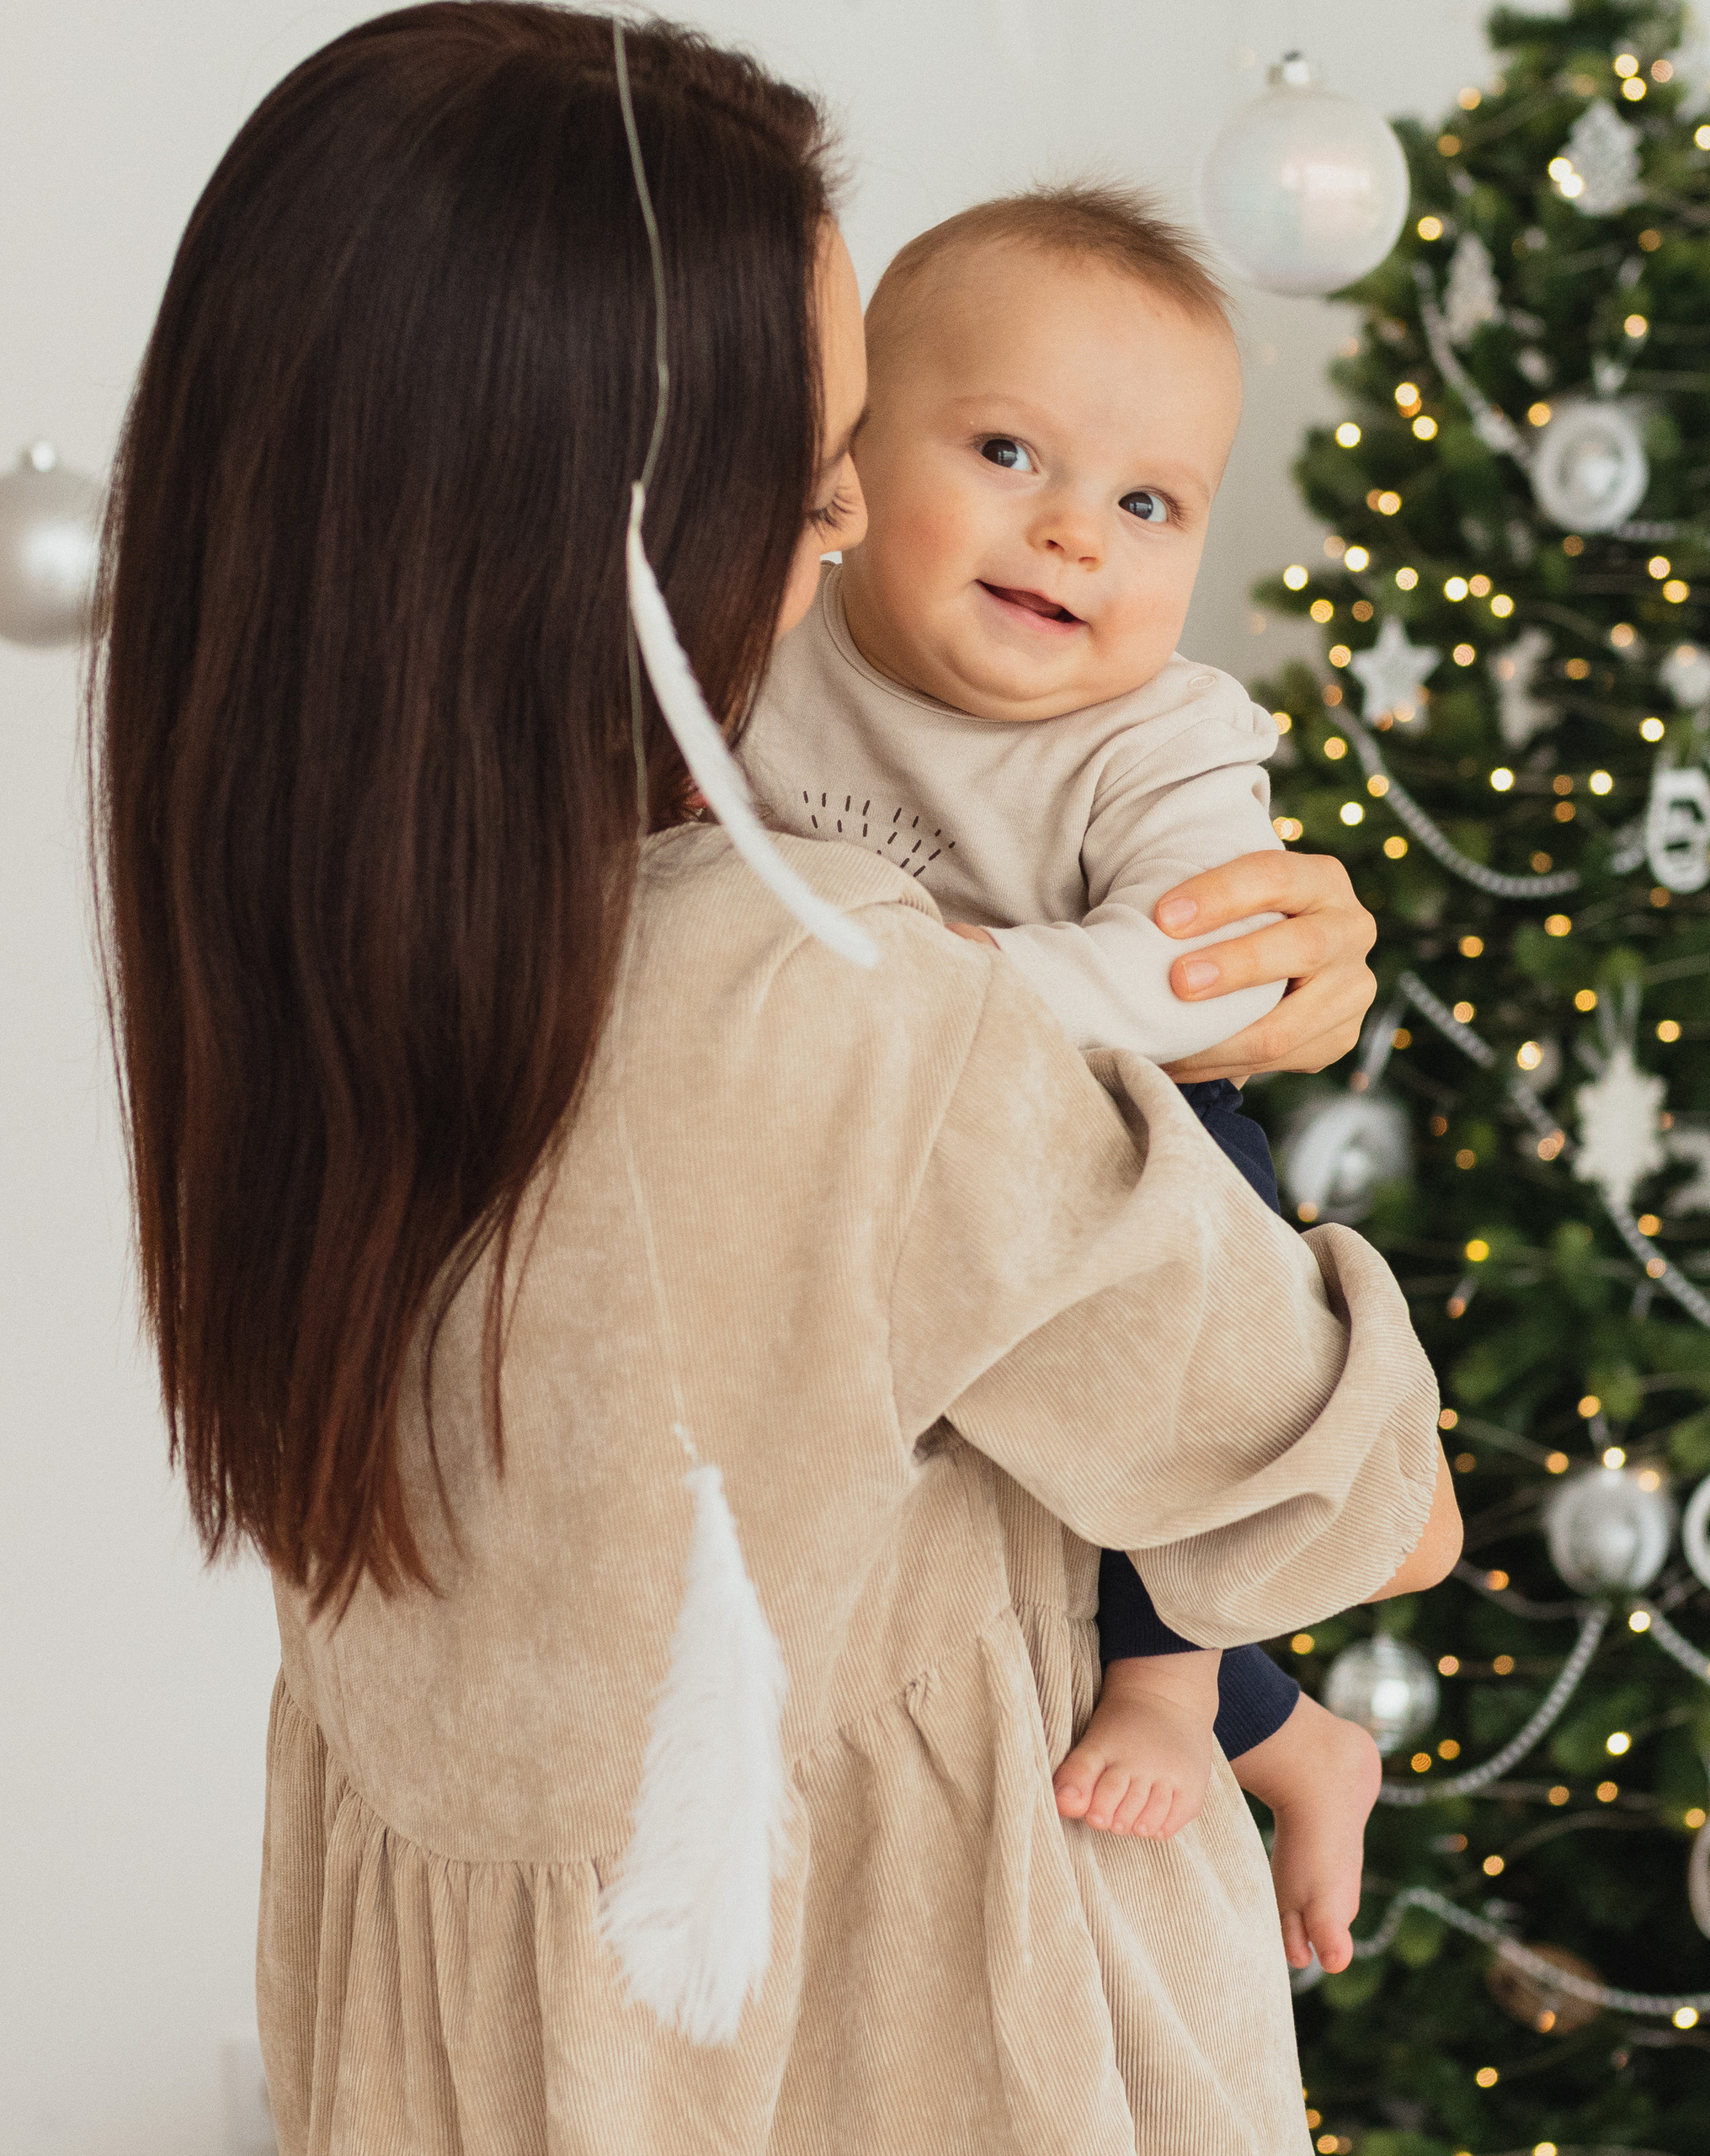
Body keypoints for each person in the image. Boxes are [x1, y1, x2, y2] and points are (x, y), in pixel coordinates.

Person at [93, 8, 1457, 2152]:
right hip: (925, 2051)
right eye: (823, 470)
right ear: (613, 518)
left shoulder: (285, 943)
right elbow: (1363, 1493)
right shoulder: (837, 1004)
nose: (839, 536)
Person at [739, 182, 1388, 1963]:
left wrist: (952, 987)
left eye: (1147, 501)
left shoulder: (1164, 733)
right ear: (849, 464)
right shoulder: (763, 658)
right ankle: (1308, 1736)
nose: (1072, 535)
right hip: (870, 1161)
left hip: (1124, 1115)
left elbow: (1204, 978)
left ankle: (1178, 1685)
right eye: (1008, 449)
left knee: (1199, 1247)